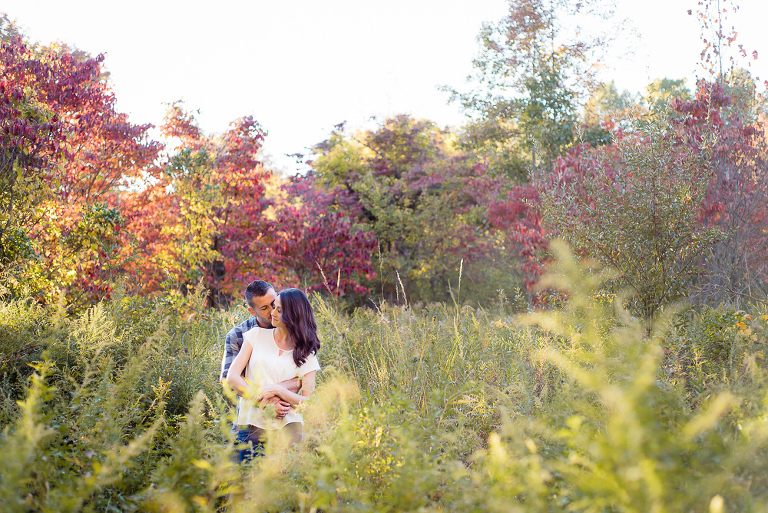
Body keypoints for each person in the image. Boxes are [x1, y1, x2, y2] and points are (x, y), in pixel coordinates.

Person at [226, 288, 321, 461]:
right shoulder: (255, 335)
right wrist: (265, 403)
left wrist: (278, 390)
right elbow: (232, 376)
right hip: (252, 424)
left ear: (293, 314)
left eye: (278, 309)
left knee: (283, 485)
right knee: (251, 482)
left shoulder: (306, 351)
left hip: (289, 427)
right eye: (273, 307)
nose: (272, 313)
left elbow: (309, 402)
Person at [220, 280, 298, 420]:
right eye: (264, 308)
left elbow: (304, 378)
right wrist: (267, 404)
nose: (272, 311)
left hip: (289, 416)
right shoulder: (238, 335)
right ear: (252, 311)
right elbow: (228, 379)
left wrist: (274, 389)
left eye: (274, 303)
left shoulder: (294, 330)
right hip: (250, 418)